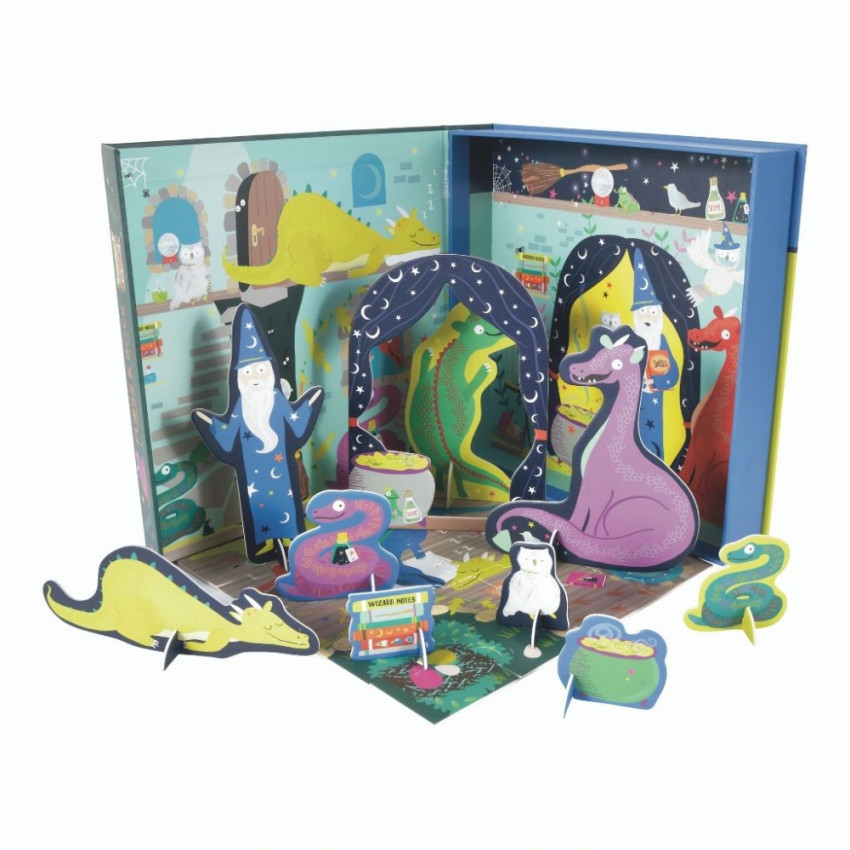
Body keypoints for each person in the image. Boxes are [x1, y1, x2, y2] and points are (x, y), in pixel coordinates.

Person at [192, 304, 323, 568]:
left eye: (260, 371)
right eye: (248, 373)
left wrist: (310, 404)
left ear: (270, 371)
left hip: (282, 472)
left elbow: (296, 425)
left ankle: (289, 539)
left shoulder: (277, 401)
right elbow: (226, 438)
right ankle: (264, 543)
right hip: (253, 476)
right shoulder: (241, 409)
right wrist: (209, 424)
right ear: (239, 377)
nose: (255, 378)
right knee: (258, 507)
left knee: (285, 502)